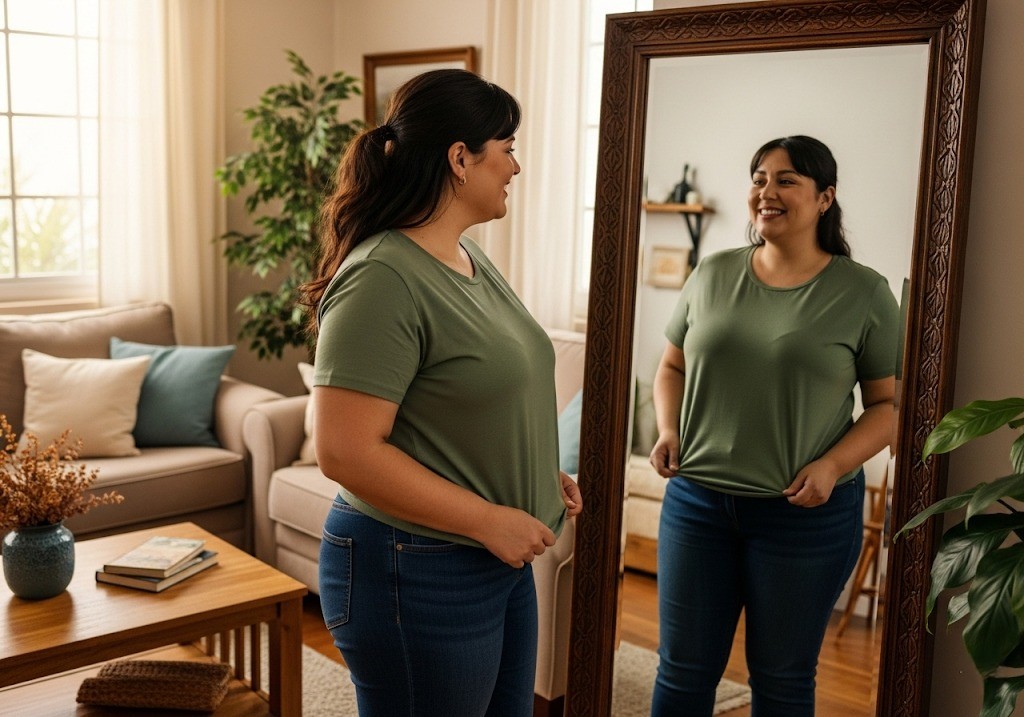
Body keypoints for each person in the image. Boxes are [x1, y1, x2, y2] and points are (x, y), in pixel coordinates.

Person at [298, 69, 583, 717]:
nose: (515, 165)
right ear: (461, 158)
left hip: (492, 559)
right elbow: (343, 451)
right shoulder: (381, 277)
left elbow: (474, 397)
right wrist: (489, 515)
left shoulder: (470, 260)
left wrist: (535, 474)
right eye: (505, 147)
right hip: (413, 566)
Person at [648, 135, 898, 716]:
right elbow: (671, 365)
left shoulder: (864, 293)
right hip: (697, 505)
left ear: (825, 197)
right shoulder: (711, 273)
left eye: (787, 180)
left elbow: (889, 407)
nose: (767, 191)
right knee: (682, 674)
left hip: (803, 518)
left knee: (782, 682)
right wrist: (667, 430)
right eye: (759, 177)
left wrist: (834, 465)